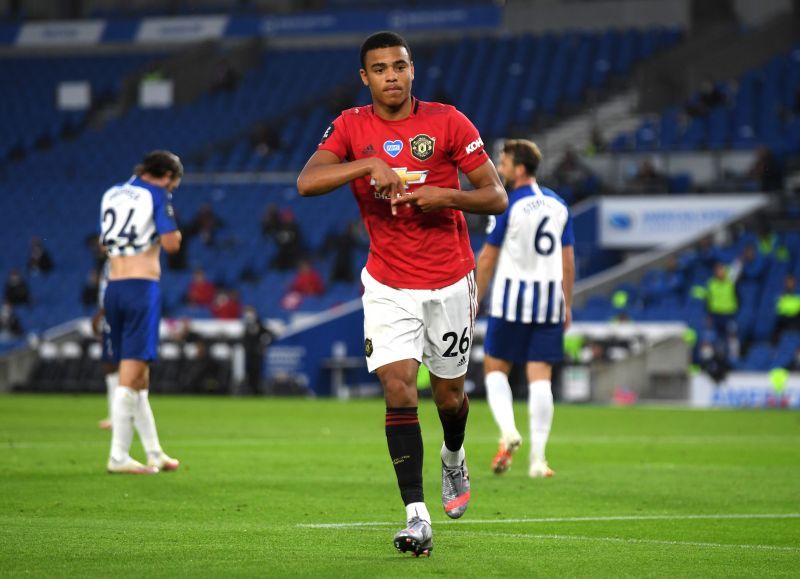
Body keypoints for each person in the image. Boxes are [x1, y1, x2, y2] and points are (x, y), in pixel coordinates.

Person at [296, 31, 507, 557]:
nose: (392, 75)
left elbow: (497, 196)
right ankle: (416, 515)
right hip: (388, 280)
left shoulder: (448, 121)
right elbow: (307, 181)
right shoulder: (351, 126)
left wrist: (448, 195)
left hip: (450, 279)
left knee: (449, 397)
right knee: (398, 388)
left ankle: (453, 455)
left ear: (413, 71)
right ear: (364, 78)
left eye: (400, 66)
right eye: (380, 68)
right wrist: (368, 165)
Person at [475, 139, 575, 480]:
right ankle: (538, 460)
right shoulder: (559, 205)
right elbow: (568, 260)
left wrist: (475, 298)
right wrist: (567, 303)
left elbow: (488, 256)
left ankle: (508, 432)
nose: (499, 169)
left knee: (495, 368)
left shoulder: (508, 204)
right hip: (549, 302)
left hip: (511, 301)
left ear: (518, 169)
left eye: (503, 163)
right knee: (540, 378)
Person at [100, 150, 183, 475]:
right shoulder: (157, 194)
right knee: (131, 375)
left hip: (114, 288)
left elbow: (103, 243)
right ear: (166, 176)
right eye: (174, 183)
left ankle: (154, 452)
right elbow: (172, 243)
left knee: (139, 377)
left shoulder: (112, 193)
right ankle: (118, 455)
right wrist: (174, 232)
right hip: (140, 287)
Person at [92, 260, 118, 431]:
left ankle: (120, 416)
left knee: (118, 368)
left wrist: (103, 312)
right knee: (110, 369)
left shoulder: (120, 259)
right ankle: (116, 415)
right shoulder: (107, 263)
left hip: (117, 315)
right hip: (110, 317)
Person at [241, 305, 274, 395]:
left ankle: (257, 391)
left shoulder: (259, 324)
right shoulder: (245, 324)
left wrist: (263, 345)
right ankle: (250, 391)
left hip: (256, 354)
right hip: (248, 354)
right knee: (248, 372)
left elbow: (270, 334)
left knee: (256, 373)